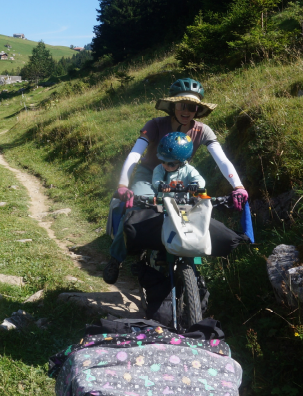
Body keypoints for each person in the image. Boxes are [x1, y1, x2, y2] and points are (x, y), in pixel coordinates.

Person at [104, 78, 249, 284]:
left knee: (191, 210)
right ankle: (116, 257)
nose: (187, 110)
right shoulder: (156, 125)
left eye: (193, 106)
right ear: (173, 105)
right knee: (135, 206)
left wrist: (238, 187)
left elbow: (222, 160)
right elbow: (135, 154)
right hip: (148, 174)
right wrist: (123, 185)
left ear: (198, 110)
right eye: (182, 104)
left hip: (180, 176)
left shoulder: (202, 130)